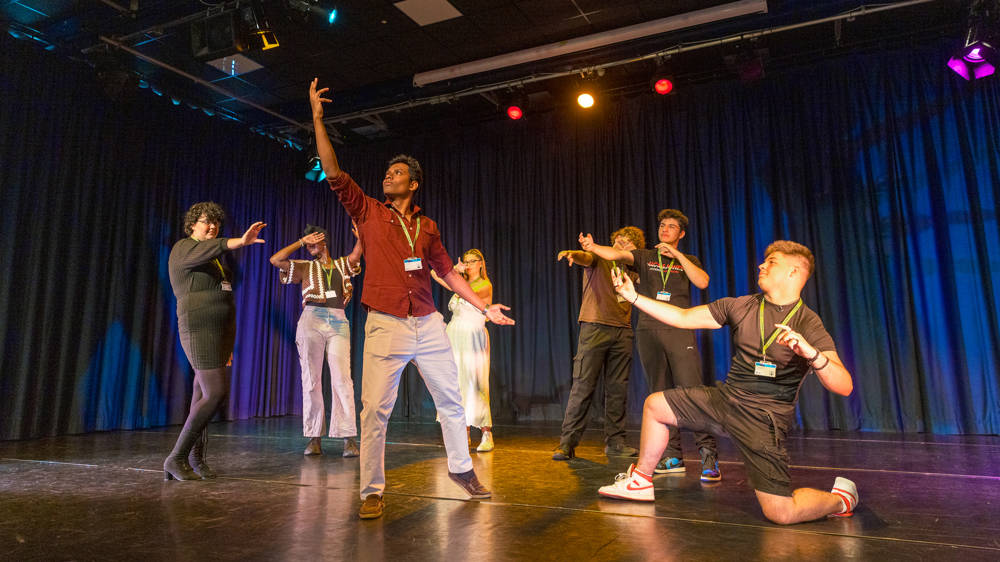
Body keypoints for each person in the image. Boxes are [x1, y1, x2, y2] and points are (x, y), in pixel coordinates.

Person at [309, 78, 516, 520]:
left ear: (414, 183)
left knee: (452, 400)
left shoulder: (428, 227)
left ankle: (462, 469)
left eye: (398, 173)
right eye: (387, 173)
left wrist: (484, 307)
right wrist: (317, 120)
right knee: (375, 411)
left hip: (428, 321)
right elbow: (333, 171)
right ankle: (372, 490)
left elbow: (448, 273)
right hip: (385, 323)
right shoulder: (367, 210)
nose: (389, 176)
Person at [598, 241, 859, 525]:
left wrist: (812, 354)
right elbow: (682, 317)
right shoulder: (741, 305)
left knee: (782, 513)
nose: (761, 265)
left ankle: (842, 499)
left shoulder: (808, 322)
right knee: (655, 405)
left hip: (764, 418)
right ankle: (640, 481)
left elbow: (844, 386)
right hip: (726, 400)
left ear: (793, 272)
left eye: (772, 262)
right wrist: (634, 297)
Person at [579, 209, 721, 481]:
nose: (665, 229)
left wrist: (677, 254)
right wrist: (593, 247)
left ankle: (708, 455)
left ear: (681, 233)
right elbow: (616, 255)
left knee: (692, 392)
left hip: (679, 330)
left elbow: (703, 282)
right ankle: (673, 456)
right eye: (662, 225)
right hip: (648, 332)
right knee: (660, 395)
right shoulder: (645, 257)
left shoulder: (689, 260)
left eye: (671, 227)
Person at [164, 202, 266, 481]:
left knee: (201, 396)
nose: (212, 226)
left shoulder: (214, 259)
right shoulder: (184, 248)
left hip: (218, 333)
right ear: (192, 224)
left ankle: (195, 459)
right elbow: (216, 246)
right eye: (206, 221)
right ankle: (176, 458)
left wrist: (228, 344)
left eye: (216, 223)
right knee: (215, 392)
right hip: (199, 328)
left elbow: (224, 296)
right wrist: (240, 241)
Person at [269, 224, 363, 458]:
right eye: (307, 242)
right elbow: (275, 260)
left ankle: (348, 438)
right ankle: (314, 437)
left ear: (324, 241)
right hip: (312, 318)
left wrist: (362, 237)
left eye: (313, 240)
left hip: (338, 320)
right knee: (311, 379)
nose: (310, 245)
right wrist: (301, 242)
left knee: (342, 378)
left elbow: (356, 255)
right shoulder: (305, 266)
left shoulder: (341, 264)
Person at [552, 226, 644, 461]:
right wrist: (573, 254)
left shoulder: (634, 268)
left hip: (623, 331)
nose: (622, 245)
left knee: (617, 389)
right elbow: (586, 258)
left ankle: (615, 443)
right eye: (619, 241)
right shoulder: (601, 258)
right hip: (595, 327)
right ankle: (566, 444)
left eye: (628, 243)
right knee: (583, 386)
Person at [431, 249, 495, 452]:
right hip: (454, 336)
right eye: (466, 261)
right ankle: (462, 432)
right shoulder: (459, 282)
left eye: (472, 261)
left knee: (476, 383)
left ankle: (486, 433)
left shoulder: (484, 285)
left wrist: (453, 277)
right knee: (456, 384)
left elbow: (467, 295)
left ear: (481, 263)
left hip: (472, 336)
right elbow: (434, 274)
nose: (468, 265)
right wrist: (454, 270)